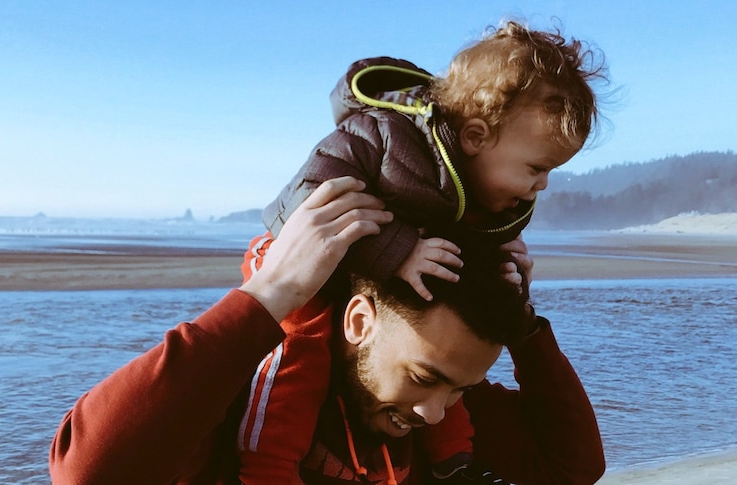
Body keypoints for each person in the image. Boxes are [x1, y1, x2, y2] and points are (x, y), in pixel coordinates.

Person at [239, 19, 608, 484]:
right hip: (297, 266)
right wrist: (397, 251)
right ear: (476, 137)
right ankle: (265, 468)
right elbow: (308, 201)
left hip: (386, 276)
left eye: (456, 390)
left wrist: (517, 311)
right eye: (537, 167)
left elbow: (575, 466)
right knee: (300, 351)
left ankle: (455, 464)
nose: (543, 184)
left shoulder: (437, 355)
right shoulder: (386, 136)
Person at [48, 177, 606, 484]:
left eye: (459, 389)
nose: (436, 411)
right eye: (423, 378)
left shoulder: (444, 406)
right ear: (359, 321)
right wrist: (267, 297)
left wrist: (525, 329)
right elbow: (86, 473)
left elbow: (573, 467)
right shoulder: (247, 402)